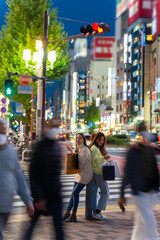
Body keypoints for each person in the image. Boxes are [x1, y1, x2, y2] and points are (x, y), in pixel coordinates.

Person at [23, 119, 64, 240]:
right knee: (31, 227)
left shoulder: (57, 146)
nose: (54, 129)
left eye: (57, 126)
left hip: (55, 196)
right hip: (41, 197)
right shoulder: (40, 147)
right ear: (46, 128)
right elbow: (33, 174)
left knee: (59, 229)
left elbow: (56, 173)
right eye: (52, 126)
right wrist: (38, 197)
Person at [118, 121, 160, 240]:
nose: (145, 131)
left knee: (141, 221)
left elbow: (153, 169)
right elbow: (127, 172)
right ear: (139, 132)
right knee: (149, 219)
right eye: (143, 129)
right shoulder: (134, 150)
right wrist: (121, 193)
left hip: (149, 190)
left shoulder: (150, 149)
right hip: (139, 190)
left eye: (146, 128)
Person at [0, 118, 34, 240]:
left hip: (5, 206)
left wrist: (28, 201)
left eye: (3, 133)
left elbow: (20, 178)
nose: (1, 136)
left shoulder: (10, 152)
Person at [63, 133, 93, 222]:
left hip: (86, 174)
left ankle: (73, 214)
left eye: (80, 138)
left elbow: (79, 164)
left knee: (75, 192)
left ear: (83, 140)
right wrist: (73, 151)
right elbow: (77, 162)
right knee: (73, 193)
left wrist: (74, 152)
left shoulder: (85, 150)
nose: (77, 140)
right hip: (80, 173)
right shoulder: (79, 149)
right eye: (76, 138)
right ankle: (68, 212)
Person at [89, 132, 111, 220]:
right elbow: (95, 161)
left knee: (99, 193)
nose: (101, 141)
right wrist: (104, 158)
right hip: (98, 173)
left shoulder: (95, 148)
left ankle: (96, 211)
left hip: (98, 173)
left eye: (103, 140)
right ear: (96, 139)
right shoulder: (94, 149)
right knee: (105, 192)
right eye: (100, 139)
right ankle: (97, 212)